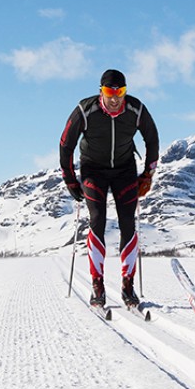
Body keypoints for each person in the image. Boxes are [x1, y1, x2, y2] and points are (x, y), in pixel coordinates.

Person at [60, 69, 159, 308]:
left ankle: (128, 285)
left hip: (124, 169)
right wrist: (70, 179)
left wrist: (148, 174)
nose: (115, 98)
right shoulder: (85, 110)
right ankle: (97, 285)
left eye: (120, 92)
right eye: (109, 92)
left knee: (128, 222)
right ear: (101, 91)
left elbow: (152, 138)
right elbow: (65, 145)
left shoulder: (136, 109)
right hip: (93, 169)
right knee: (98, 219)